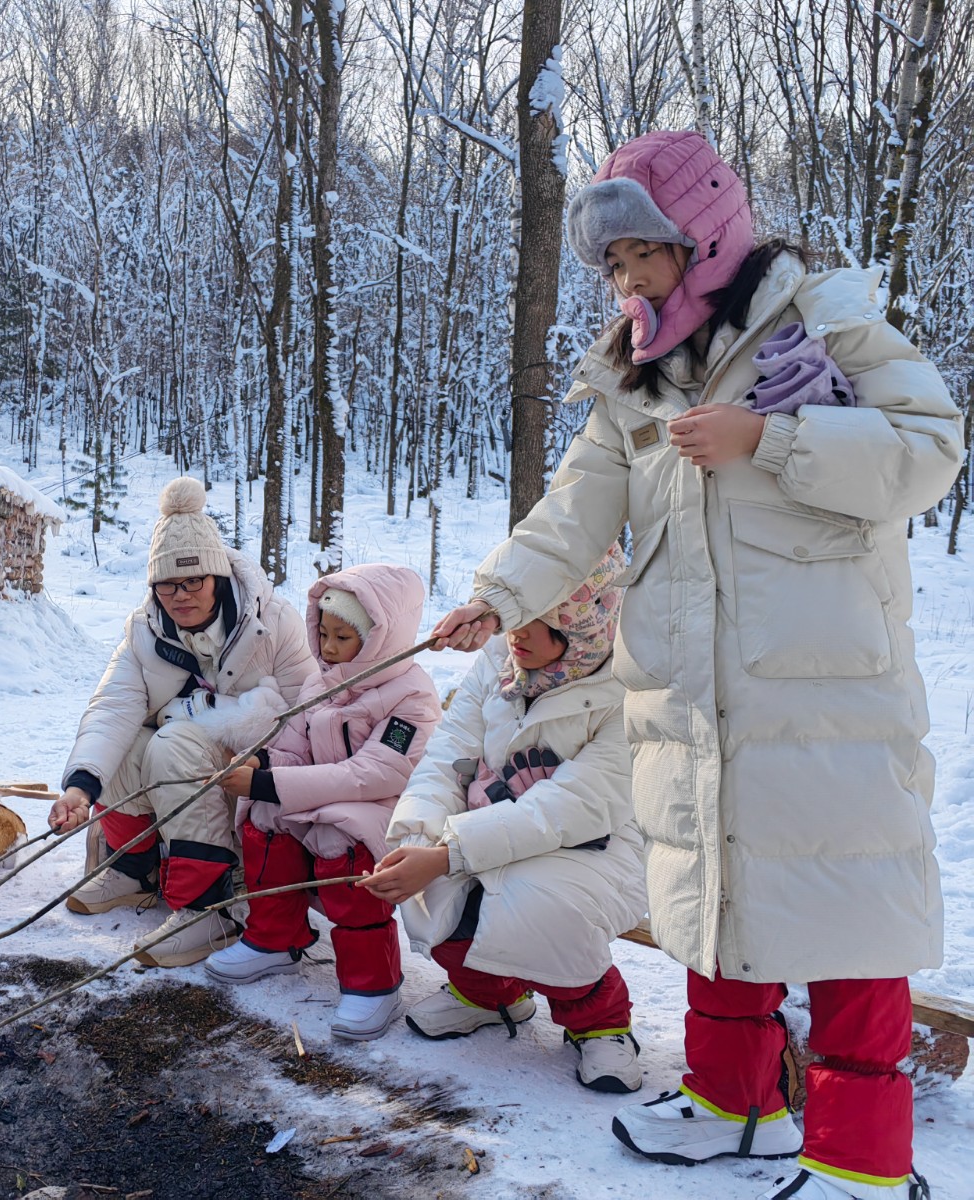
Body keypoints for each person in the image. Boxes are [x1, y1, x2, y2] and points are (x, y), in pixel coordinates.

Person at [430, 130, 960, 1200]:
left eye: (643, 255)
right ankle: (733, 1104)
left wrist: (772, 439)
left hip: (821, 690)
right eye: (614, 264)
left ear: (703, 234)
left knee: (845, 909)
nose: (627, 282)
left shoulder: (820, 318)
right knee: (714, 897)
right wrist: (499, 595)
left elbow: (929, 447)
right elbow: (578, 505)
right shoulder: (637, 374)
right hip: (688, 691)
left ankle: (860, 1161)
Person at [362, 550, 647, 1091]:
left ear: (582, 623)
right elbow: (449, 754)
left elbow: (576, 804)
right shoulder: (499, 659)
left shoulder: (629, 689)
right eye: (515, 615)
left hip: (594, 843)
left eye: (541, 619)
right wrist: (420, 835)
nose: (518, 632)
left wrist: (448, 852)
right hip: (486, 824)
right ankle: (487, 996)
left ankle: (600, 1023)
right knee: (436, 893)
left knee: (542, 908)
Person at [48, 477, 315, 968]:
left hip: (253, 775)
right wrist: (79, 788)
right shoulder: (144, 631)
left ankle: (207, 908)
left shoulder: (273, 621)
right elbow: (112, 708)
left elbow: (307, 710)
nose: (181, 595)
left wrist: (261, 761)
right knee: (126, 747)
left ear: (217, 577)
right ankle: (136, 869)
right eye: (167, 584)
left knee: (172, 745)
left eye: (194, 581)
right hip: (183, 769)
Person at [208, 564, 441, 1040]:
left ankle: (373, 983)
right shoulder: (322, 682)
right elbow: (295, 748)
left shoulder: (412, 697)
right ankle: (274, 938)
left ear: (379, 638)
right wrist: (262, 763)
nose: (328, 648)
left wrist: (271, 782)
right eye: (323, 633)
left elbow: (376, 773)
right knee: (264, 813)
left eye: (343, 637)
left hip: (384, 809)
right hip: (321, 796)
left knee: (339, 837)